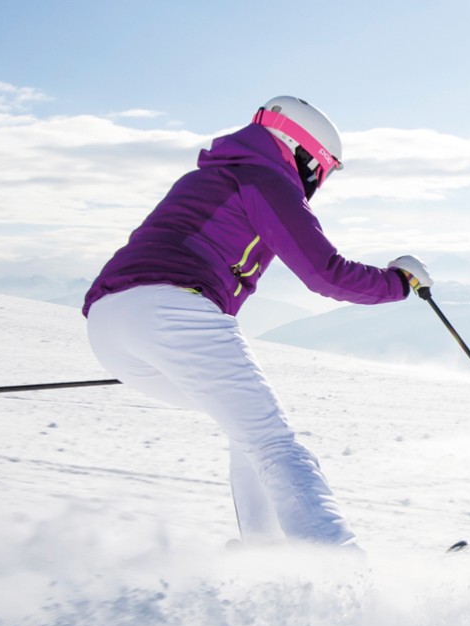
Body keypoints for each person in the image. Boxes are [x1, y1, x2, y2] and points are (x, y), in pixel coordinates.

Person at [82, 96, 432, 548]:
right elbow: (326, 274)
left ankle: (263, 552)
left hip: (109, 323)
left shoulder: (208, 176)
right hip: (169, 312)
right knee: (273, 442)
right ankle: (339, 573)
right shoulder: (267, 178)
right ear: (305, 155)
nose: (316, 183)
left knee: (245, 428)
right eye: (322, 172)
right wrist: (399, 283)